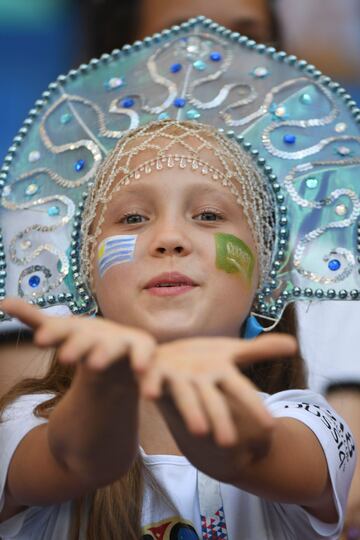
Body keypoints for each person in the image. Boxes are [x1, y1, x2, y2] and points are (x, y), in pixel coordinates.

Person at [0, 120, 356, 539]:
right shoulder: (25, 421)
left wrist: (184, 388)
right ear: (87, 275)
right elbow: (78, 459)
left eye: (208, 215)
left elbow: (248, 454)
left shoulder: (310, 421)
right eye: (132, 218)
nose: (169, 238)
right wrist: (108, 381)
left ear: (264, 271)